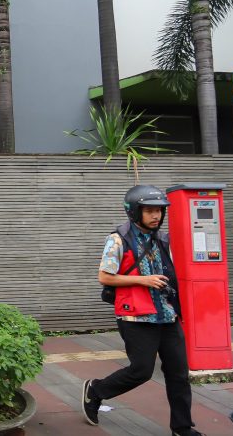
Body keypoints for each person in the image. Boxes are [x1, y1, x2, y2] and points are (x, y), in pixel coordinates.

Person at [82, 185, 203, 436]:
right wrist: (142, 280)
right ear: (135, 212)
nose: (156, 216)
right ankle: (95, 390)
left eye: (159, 211)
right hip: (135, 316)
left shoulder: (162, 238)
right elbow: (104, 276)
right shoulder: (118, 239)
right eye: (149, 211)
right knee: (141, 371)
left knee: (179, 374)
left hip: (166, 315)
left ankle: (182, 428)